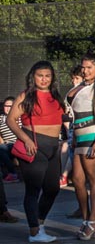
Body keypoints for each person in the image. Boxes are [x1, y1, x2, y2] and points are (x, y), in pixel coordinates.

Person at [7, 61, 65, 242]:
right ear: (33, 77)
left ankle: (39, 224)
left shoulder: (56, 95)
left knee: (53, 188)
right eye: (40, 75)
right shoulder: (26, 96)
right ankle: (34, 232)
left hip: (54, 146)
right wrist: (26, 140)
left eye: (47, 75)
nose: (44, 79)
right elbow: (11, 120)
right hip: (34, 146)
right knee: (33, 190)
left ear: (52, 77)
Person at [66, 51, 95, 240]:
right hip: (79, 137)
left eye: (89, 68)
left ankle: (94, 220)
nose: (85, 71)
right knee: (77, 179)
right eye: (83, 67)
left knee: (93, 179)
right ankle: (87, 219)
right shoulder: (79, 86)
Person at [60, 65, 83, 188]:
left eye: (77, 78)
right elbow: (65, 114)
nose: (74, 81)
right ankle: (63, 175)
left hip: (82, 127)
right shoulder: (70, 93)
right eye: (73, 79)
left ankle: (64, 175)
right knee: (69, 148)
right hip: (72, 127)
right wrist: (69, 128)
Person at [0, 96, 20, 183]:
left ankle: (12, 174)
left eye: (10, 106)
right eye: (6, 106)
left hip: (19, 143)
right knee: (1, 149)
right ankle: (12, 174)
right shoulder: (1, 118)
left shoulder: (20, 117)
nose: (7, 108)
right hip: (6, 145)